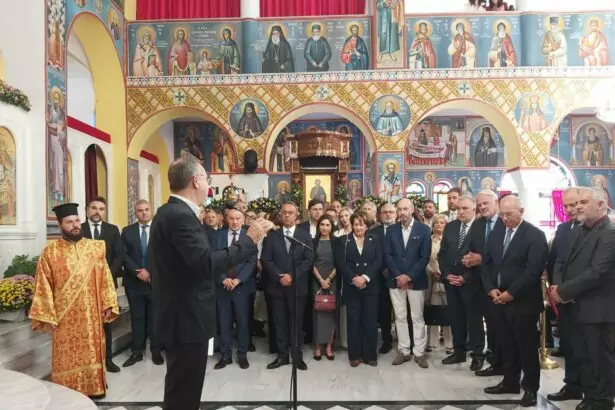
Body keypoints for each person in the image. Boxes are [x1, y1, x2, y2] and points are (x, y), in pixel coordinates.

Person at [148, 156, 271, 410]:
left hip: (184, 316)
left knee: (185, 390)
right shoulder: (179, 215)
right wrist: (249, 240)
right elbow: (204, 263)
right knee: (183, 393)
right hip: (185, 319)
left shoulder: (173, 212)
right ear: (195, 180)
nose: (208, 185)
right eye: (206, 179)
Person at [29, 203, 119, 399]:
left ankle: (94, 386)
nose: (75, 225)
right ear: (60, 226)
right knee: (66, 354)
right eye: (69, 222)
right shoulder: (50, 252)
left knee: (92, 351)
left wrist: (108, 303)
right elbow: (43, 285)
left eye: (77, 221)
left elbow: (105, 277)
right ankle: (66, 391)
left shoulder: (95, 247)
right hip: (64, 317)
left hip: (91, 314)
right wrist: (47, 315)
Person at [480, 195, 548, 407]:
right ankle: (510, 382)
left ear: (521, 211)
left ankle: (530, 388)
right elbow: (486, 264)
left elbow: (533, 270)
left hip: (522, 302)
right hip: (497, 298)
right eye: (502, 214)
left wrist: (511, 292)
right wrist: (490, 288)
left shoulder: (535, 235)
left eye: (509, 214)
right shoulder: (498, 231)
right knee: (506, 344)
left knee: (526, 347)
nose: (505, 218)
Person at [551, 187, 615, 410]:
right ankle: (590, 396)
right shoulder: (578, 230)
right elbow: (563, 261)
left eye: (584, 202)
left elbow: (597, 272)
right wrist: (558, 288)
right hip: (575, 306)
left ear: (601, 205)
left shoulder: (610, 232)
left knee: (600, 359)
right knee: (583, 356)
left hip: (597, 308)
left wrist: (563, 292)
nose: (578, 206)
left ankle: (603, 401)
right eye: (576, 203)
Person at [261, 202, 314, 370]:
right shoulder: (272, 236)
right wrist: (279, 276)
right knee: (280, 323)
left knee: (296, 323)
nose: (287, 215)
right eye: (284, 212)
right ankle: (282, 356)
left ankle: (297, 357)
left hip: (297, 287)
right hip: (277, 287)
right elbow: (266, 259)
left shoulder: (304, 236)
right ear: (280, 215)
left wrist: (292, 275)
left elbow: (308, 260)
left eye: (290, 212)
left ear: (296, 215)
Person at [438, 196, 485, 371]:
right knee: (456, 318)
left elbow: (483, 257)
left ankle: (477, 355)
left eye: (465, 208)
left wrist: (466, 277)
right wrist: (446, 275)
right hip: (451, 281)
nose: (461, 211)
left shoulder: (480, 227)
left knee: (473, 319)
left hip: (471, 282)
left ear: (474, 209)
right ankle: (459, 352)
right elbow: (442, 253)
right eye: (458, 208)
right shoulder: (451, 226)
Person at [545, 187, 583, 402]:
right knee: (569, 342)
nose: (569, 209)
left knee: (592, 347)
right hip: (563, 297)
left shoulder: (597, 229)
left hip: (588, 298)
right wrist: (556, 289)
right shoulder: (563, 229)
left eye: (574, 204)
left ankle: (598, 391)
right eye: (566, 205)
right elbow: (554, 261)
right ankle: (573, 385)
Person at [384, 198, 432, 368]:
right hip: (395, 280)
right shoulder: (391, 230)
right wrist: (399, 276)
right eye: (399, 209)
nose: (402, 212)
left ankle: (419, 352)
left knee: (417, 317)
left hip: (416, 280)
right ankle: (403, 350)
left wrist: (409, 276)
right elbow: (387, 255)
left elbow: (424, 257)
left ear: (412, 210)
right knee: (400, 316)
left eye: (405, 209)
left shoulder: (424, 230)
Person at [81, 196, 124, 373]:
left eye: (101, 209)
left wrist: (106, 276)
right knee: (85, 322)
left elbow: (119, 255)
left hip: (106, 284)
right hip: (84, 285)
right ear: (87, 210)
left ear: (104, 212)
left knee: (106, 322)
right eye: (94, 208)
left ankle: (108, 360)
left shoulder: (112, 230)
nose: (97, 212)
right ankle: (88, 360)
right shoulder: (79, 229)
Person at [121, 199, 164, 368]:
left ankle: (156, 351)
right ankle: (136, 353)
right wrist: (138, 271)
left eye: (146, 209)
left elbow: (164, 254)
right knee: (137, 318)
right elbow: (123, 254)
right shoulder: (127, 231)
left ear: (151, 210)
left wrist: (150, 271)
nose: (144, 213)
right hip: (134, 283)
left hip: (155, 282)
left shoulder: (160, 230)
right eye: (140, 210)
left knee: (155, 319)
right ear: (135, 212)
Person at [336, 211, 382, 367]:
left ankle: (370, 355)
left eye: (362, 225)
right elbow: (341, 263)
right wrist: (354, 278)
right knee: (354, 321)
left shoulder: (374, 239)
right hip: (352, 286)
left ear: (367, 226)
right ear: (351, 225)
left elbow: (378, 261)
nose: (359, 228)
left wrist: (365, 278)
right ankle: (354, 355)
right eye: (356, 224)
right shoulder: (344, 241)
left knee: (370, 321)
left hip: (371, 286)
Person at [213, 208, 257, 370]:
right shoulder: (217, 236)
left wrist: (238, 280)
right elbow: (213, 260)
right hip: (222, 287)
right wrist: (223, 278)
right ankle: (225, 355)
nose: (235, 222)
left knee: (242, 322)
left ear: (243, 219)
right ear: (226, 219)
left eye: (238, 218)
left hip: (242, 287)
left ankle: (242, 355)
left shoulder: (249, 237)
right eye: (231, 218)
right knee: (223, 322)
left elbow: (252, 262)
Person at [311, 215, 338, 360]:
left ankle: (328, 347)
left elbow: (339, 263)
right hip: (317, 280)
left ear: (331, 227)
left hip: (333, 280)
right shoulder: (313, 242)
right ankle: (317, 347)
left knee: (330, 312)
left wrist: (328, 279)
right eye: (322, 224)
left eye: (328, 225)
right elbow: (311, 263)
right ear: (318, 226)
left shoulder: (336, 242)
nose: (325, 227)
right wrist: (321, 280)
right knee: (317, 312)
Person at [425, 214, 453, 353]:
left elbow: (452, 258)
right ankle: (432, 343)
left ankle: (450, 344)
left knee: (448, 310)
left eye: (442, 222)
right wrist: (431, 271)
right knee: (433, 309)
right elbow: (424, 258)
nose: (439, 224)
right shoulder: (427, 241)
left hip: (446, 277)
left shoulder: (449, 240)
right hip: (430, 278)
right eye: (436, 222)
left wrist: (444, 273)